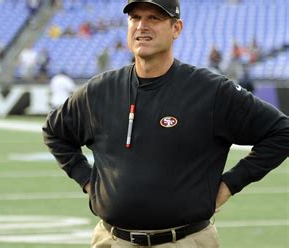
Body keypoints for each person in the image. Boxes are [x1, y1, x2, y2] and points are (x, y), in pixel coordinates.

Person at [42, 0, 289, 247]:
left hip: (185, 240)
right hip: (112, 240)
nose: (141, 26)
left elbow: (281, 132)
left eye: (154, 18)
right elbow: (55, 131)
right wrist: (88, 181)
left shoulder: (210, 91)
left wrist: (230, 184)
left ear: (176, 28)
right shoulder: (100, 90)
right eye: (135, 18)